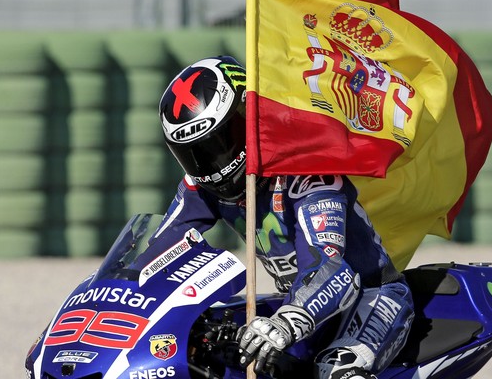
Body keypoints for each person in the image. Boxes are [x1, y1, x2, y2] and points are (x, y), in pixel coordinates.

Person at [156, 55, 414, 379]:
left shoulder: (306, 172)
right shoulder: (203, 182)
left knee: (336, 371)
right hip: (296, 304)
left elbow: (335, 271)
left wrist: (285, 322)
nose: (210, 164)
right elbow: (163, 246)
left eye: (216, 146)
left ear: (246, 118)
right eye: (194, 155)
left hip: (370, 296)